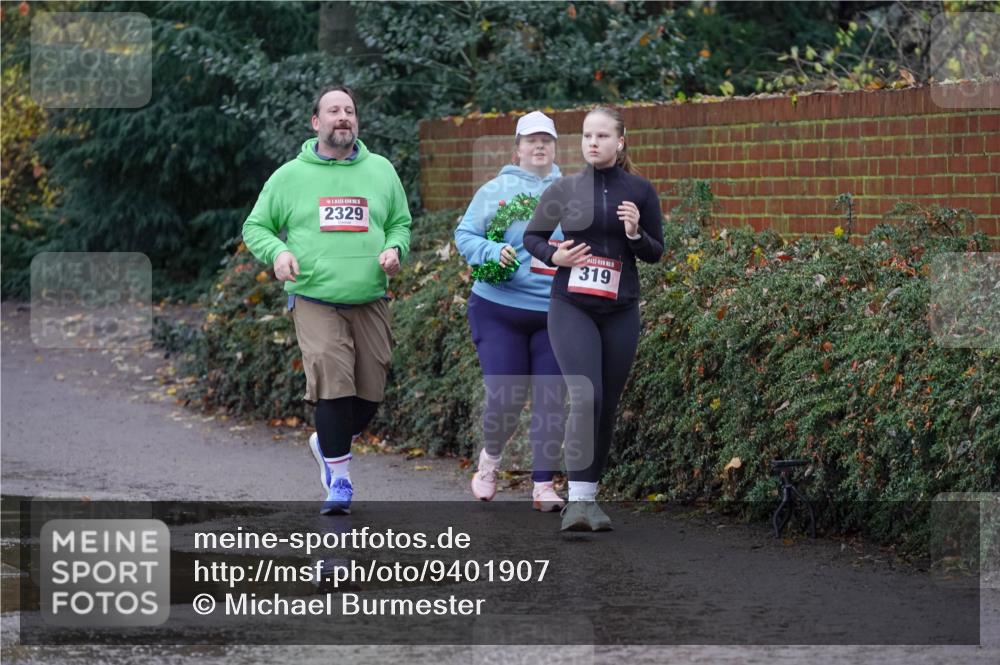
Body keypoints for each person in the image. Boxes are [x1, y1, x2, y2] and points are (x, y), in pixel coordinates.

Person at [242, 85, 411, 515]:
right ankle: (340, 480)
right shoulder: (290, 176)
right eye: (333, 111)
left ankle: (326, 443)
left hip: (371, 296)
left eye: (350, 111)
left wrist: (395, 250)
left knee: (369, 395)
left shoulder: (381, 170)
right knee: (334, 384)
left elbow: (400, 224)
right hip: (314, 295)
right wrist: (278, 252)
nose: (343, 117)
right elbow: (256, 226)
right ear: (316, 123)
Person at [524, 106, 664, 531]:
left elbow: (656, 252)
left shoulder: (639, 190)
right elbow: (533, 237)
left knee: (605, 405)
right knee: (586, 395)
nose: (593, 143)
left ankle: (589, 497)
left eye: (602, 136)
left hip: (620, 310)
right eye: (587, 136)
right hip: (572, 307)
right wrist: (555, 255)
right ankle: (578, 504)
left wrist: (636, 233)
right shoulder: (564, 189)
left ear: (620, 142)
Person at [455, 111, 568, 512]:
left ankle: (543, 485)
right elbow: (464, 234)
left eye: (547, 140)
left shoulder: (571, 191)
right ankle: (490, 462)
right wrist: (490, 250)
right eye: (531, 140)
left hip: (554, 311)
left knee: (552, 399)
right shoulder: (494, 190)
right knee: (506, 396)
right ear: (517, 148)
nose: (540, 146)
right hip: (498, 308)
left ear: (555, 147)